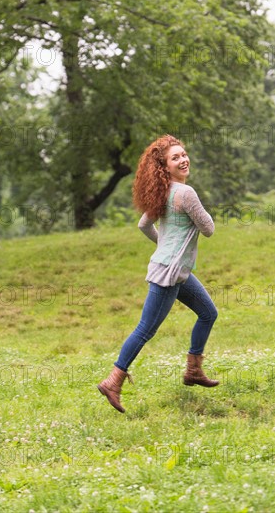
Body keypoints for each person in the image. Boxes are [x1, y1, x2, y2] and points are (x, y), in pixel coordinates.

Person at [98, 134, 219, 413]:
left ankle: (193, 370)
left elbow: (143, 225)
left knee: (208, 313)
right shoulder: (186, 194)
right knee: (145, 330)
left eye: (184, 154)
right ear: (165, 167)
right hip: (168, 273)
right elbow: (209, 228)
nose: (183, 159)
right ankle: (113, 381)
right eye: (175, 157)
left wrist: (165, 246)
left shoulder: (163, 192)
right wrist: (173, 245)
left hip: (176, 271)